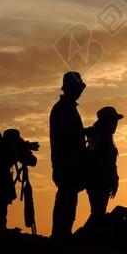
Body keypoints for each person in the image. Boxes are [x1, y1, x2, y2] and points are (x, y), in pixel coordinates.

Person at [50, 71, 88, 239]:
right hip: (67, 165)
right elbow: (66, 138)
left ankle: (62, 233)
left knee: (68, 200)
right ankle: (61, 235)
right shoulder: (63, 109)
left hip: (68, 164)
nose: (79, 91)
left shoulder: (66, 109)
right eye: (76, 88)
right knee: (66, 200)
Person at [86, 106, 123, 223]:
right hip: (98, 181)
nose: (115, 124)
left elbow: (111, 163)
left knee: (98, 212)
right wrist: (111, 179)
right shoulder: (99, 138)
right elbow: (102, 162)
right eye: (113, 121)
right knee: (98, 213)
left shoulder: (104, 137)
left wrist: (114, 179)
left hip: (103, 182)